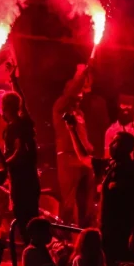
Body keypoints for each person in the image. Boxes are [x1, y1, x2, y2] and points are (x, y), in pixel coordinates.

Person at [52, 63, 96, 227]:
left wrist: (89, 147)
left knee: (86, 202)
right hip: (68, 159)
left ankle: (85, 233)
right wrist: (81, 74)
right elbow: (72, 92)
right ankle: (63, 236)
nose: (80, 94)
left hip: (84, 160)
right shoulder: (59, 107)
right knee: (69, 202)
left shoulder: (80, 112)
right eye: (76, 91)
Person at [99, 131, 134, 263]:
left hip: (123, 231)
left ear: (127, 147)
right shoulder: (110, 166)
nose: (111, 145)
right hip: (107, 229)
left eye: (116, 142)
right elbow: (84, 157)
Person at [4, 62, 41, 230]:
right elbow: (23, 104)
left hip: (21, 181)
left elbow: (18, 150)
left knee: (24, 219)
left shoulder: (14, 128)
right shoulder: (25, 122)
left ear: (5, 108)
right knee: (32, 218)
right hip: (32, 179)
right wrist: (13, 80)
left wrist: (6, 163)